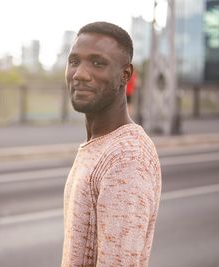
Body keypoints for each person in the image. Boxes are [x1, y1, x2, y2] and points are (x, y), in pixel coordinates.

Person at [62, 21, 162, 266]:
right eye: (74, 61)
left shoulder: (127, 157)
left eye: (98, 63)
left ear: (125, 75)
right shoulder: (100, 144)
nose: (80, 74)